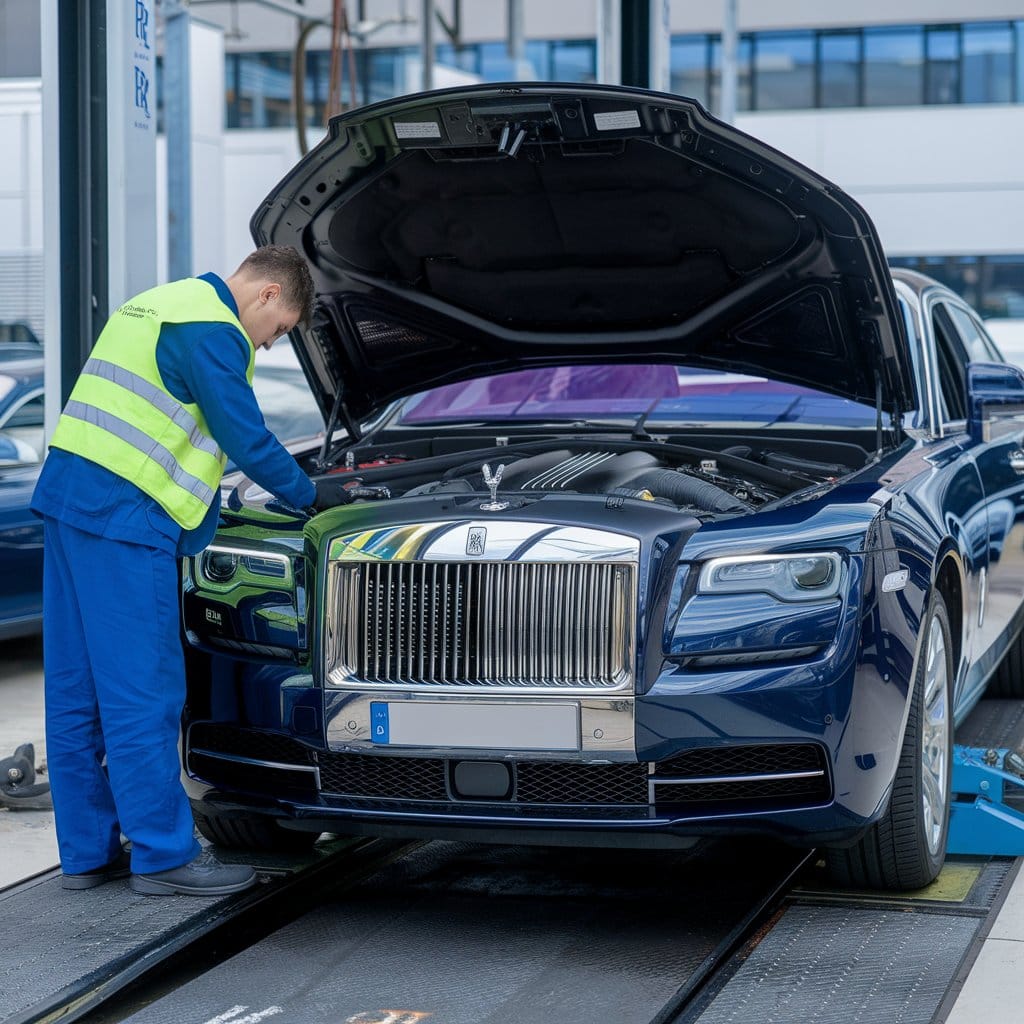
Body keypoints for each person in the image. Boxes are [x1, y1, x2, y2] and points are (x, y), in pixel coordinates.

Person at [31, 245, 328, 896]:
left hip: (70, 501)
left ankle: (87, 854)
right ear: (268, 296)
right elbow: (247, 438)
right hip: (125, 515)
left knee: (77, 692)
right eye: (277, 334)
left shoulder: (163, 301)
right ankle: (164, 856)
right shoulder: (213, 329)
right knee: (144, 691)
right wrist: (315, 497)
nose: (271, 345)